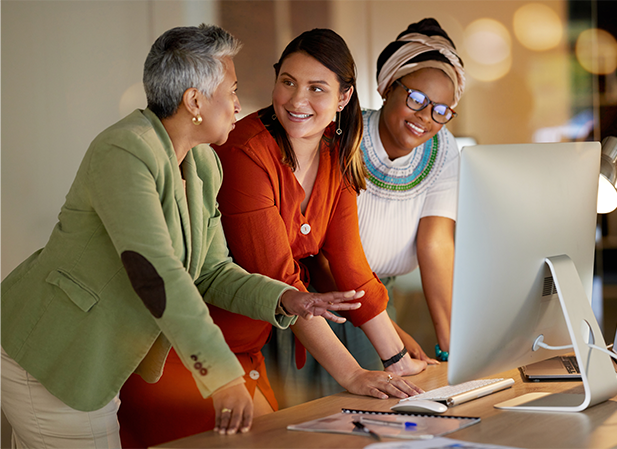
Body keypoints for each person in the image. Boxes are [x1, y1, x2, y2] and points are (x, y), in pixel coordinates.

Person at [0, 24, 363, 449]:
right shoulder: (124, 151)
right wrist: (222, 376)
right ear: (194, 101)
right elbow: (157, 272)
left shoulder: (204, 163)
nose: (236, 104)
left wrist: (288, 299)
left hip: (98, 362)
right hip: (52, 352)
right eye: (231, 90)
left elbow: (212, 271)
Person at [283, 18, 467, 404]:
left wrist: (453, 349)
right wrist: (391, 332)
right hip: (324, 299)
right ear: (386, 88)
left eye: (441, 110)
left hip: (381, 300)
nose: (425, 117)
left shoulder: (444, 149)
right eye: (416, 99)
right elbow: (319, 251)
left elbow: (435, 245)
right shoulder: (342, 134)